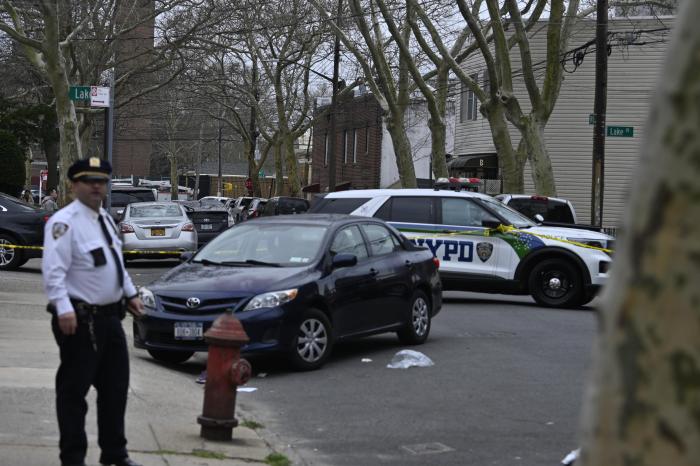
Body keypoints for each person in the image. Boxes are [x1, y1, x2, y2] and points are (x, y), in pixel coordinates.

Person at [42, 157, 145, 466]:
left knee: (115, 389)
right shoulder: (65, 222)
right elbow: (53, 271)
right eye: (90, 181)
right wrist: (63, 309)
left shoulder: (106, 220)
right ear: (74, 186)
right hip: (79, 319)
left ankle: (115, 453)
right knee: (74, 393)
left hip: (110, 319)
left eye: (101, 181)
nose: (97, 186)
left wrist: (130, 294)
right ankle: (72, 458)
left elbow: (116, 264)